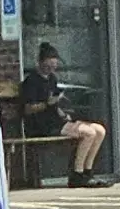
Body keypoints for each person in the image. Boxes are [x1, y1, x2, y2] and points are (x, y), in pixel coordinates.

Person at [19, 42, 108, 181]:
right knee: (88, 133)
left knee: (100, 130)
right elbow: (27, 109)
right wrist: (46, 104)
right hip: (43, 124)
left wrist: (63, 111)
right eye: (48, 66)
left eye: (54, 66)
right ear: (40, 62)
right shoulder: (31, 82)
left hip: (57, 120)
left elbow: (55, 103)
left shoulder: (52, 79)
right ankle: (77, 174)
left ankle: (88, 170)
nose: (51, 69)